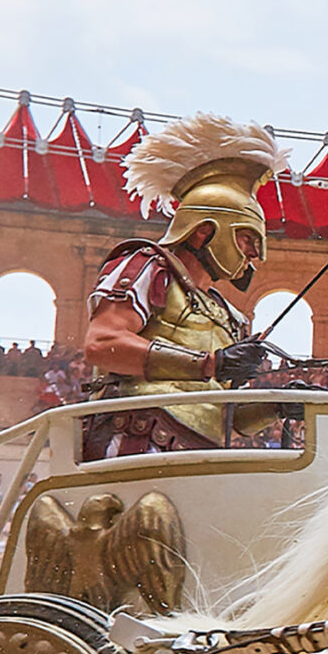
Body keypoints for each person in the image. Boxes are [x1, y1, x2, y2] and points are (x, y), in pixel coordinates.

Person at [79, 115, 286, 460]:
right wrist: (210, 364)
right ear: (204, 230)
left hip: (203, 457)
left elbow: (230, 417)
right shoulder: (147, 266)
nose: (255, 254)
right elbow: (101, 344)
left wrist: (277, 405)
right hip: (135, 442)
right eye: (247, 238)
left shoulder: (228, 315)